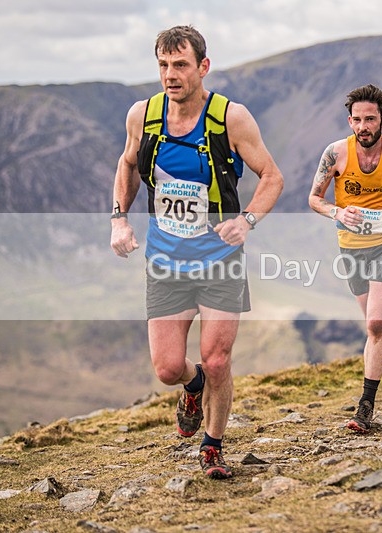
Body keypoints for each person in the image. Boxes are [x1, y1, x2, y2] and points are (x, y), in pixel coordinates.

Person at [110, 25, 283, 478]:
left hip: (218, 261)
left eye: (181, 65)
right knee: (167, 368)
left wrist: (246, 222)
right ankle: (193, 384)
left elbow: (272, 176)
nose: (171, 75)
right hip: (166, 261)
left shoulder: (231, 118)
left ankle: (212, 446)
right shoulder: (142, 116)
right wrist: (118, 218)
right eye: (164, 66)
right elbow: (128, 164)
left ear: (203, 67)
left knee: (219, 357)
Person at [308, 84, 382, 433]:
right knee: (380, 323)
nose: (363, 126)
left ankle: (365, 408)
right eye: (357, 120)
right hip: (352, 245)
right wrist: (336, 213)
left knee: (374, 325)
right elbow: (314, 198)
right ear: (350, 121)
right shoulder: (335, 154)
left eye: (370, 119)